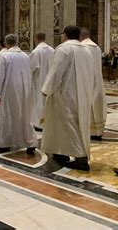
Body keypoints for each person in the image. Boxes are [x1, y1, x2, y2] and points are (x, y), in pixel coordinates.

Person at [42, 26, 94, 171]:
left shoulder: (63, 48)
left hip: (65, 93)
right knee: (72, 124)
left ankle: (81, 158)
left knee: (68, 124)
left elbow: (56, 71)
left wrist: (47, 89)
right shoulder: (86, 49)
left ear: (65, 35)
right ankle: (61, 151)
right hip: (82, 93)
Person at [0, 34, 37, 154]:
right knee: (25, 115)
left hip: (9, 89)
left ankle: (4, 143)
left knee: (7, 115)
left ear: (6, 43)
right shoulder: (25, 56)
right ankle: (30, 142)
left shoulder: (5, 56)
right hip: (24, 89)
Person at [80, 28, 107, 141]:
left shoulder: (83, 47)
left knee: (88, 106)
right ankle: (97, 131)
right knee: (96, 105)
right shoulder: (96, 47)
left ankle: (89, 131)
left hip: (86, 80)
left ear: (80, 36)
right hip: (98, 80)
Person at [29, 33, 54, 131]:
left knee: (38, 102)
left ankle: (39, 124)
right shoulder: (52, 50)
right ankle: (47, 123)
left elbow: (30, 68)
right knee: (47, 103)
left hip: (39, 81)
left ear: (36, 38)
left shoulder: (37, 51)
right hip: (50, 82)